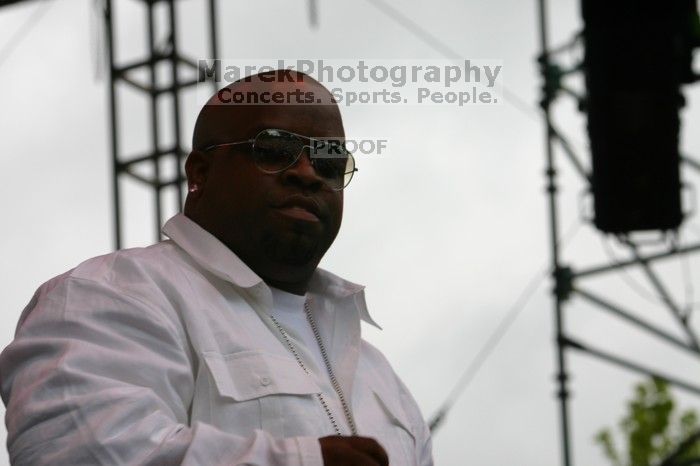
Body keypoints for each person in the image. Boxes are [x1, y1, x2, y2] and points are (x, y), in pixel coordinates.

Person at [0, 70, 433, 466]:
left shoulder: (381, 379)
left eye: (328, 162)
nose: (306, 173)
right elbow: (81, 452)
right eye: (275, 150)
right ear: (200, 173)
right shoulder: (109, 295)